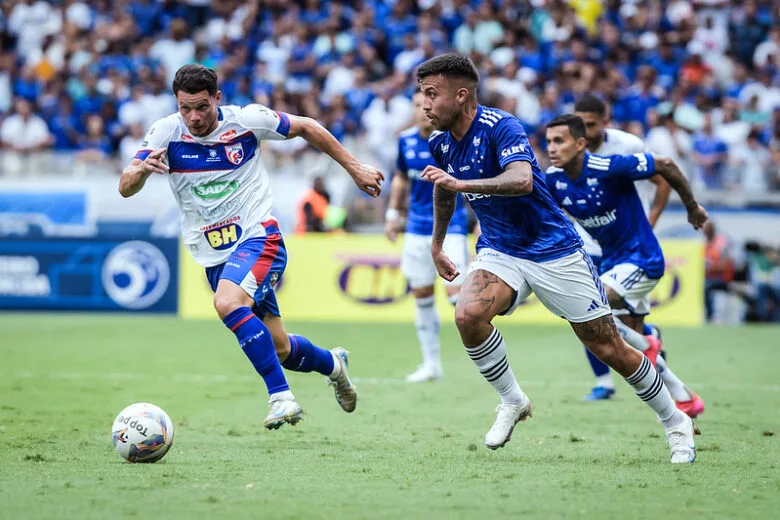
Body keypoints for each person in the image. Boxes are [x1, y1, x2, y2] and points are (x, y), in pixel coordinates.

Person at [417, 53, 698, 463]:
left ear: (461, 95)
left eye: (431, 94)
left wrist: (459, 182)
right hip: (501, 249)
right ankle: (513, 400)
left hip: (555, 250)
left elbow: (522, 179)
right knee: (467, 315)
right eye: (421, 94)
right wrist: (437, 244)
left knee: (608, 347)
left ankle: (676, 421)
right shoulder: (440, 142)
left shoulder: (501, 126)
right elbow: (444, 188)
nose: (424, 103)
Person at [118, 64, 384, 430]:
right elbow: (125, 186)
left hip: (259, 236)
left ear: (217, 98)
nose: (193, 117)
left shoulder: (247, 121)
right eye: (185, 108)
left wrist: (355, 169)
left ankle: (281, 397)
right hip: (213, 254)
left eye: (201, 107)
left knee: (227, 303)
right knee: (281, 350)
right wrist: (142, 170)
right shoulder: (166, 132)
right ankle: (335, 365)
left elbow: (307, 126)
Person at [545, 114, 706, 420]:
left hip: (642, 258)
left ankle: (646, 342)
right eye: (549, 141)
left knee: (590, 306)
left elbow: (667, 165)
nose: (552, 148)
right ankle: (683, 396)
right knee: (603, 333)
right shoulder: (554, 179)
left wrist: (692, 207)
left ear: (580, 144)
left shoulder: (609, 167)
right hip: (612, 263)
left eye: (559, 141)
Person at [385, 89, 470, 383]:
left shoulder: (451, 139)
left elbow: (468, 178)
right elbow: (399, 177)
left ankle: (483, 356)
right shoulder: (406, 140)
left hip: (451, 228)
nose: (423, 110)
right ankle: (431, 364)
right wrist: (392, 214)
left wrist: (482, 220)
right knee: (421, 295)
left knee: (457, 296)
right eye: (418, 105)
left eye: (427, 104)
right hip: (416, 229)